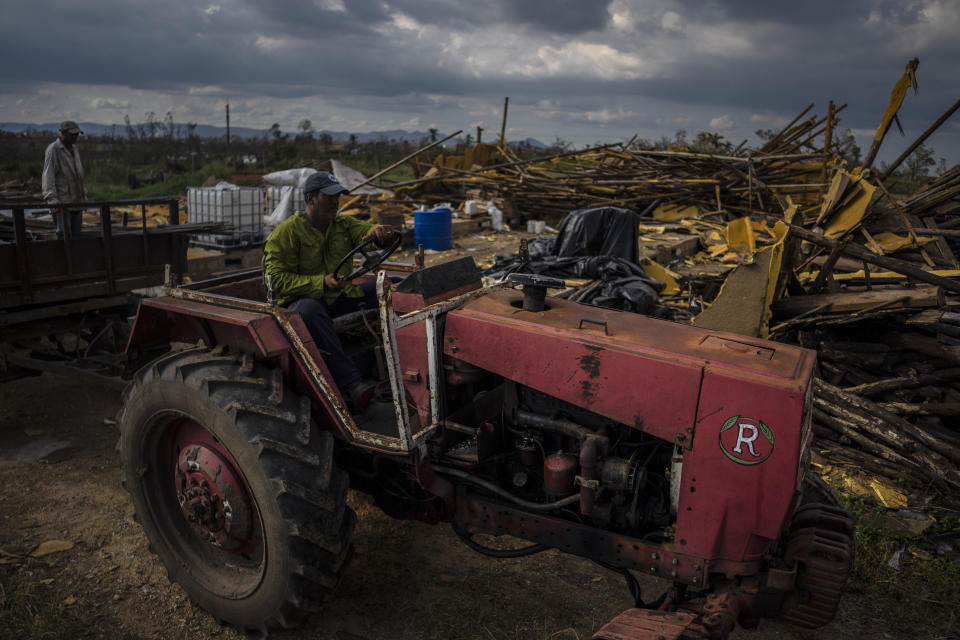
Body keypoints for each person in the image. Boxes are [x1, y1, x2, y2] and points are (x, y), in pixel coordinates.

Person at [263, 171, 398, 413]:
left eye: (338, 196)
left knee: (394, 285)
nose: (336, 202)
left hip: (339, 298)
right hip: (300, 304)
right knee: (310, 309)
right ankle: (352, 384)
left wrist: (380, 233)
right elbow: (276, 281)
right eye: (330, 197)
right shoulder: (286, 233)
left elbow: (367, 232)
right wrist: (321, 283)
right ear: (311, 199)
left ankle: (403, 363)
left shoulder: (343, 226)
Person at [41, 120, 87, 238]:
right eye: (72, 134)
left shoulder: (74, 149)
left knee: (77, 236)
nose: (75, 137)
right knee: (64, 235)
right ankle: (64, 256)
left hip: (77, 201)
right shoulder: (53, 149)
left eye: (76, 134)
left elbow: (78, 175)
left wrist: (84, 196)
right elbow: (48, 175)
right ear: (63, 133)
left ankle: (75, 256)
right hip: (62, 202)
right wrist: (52, 199)